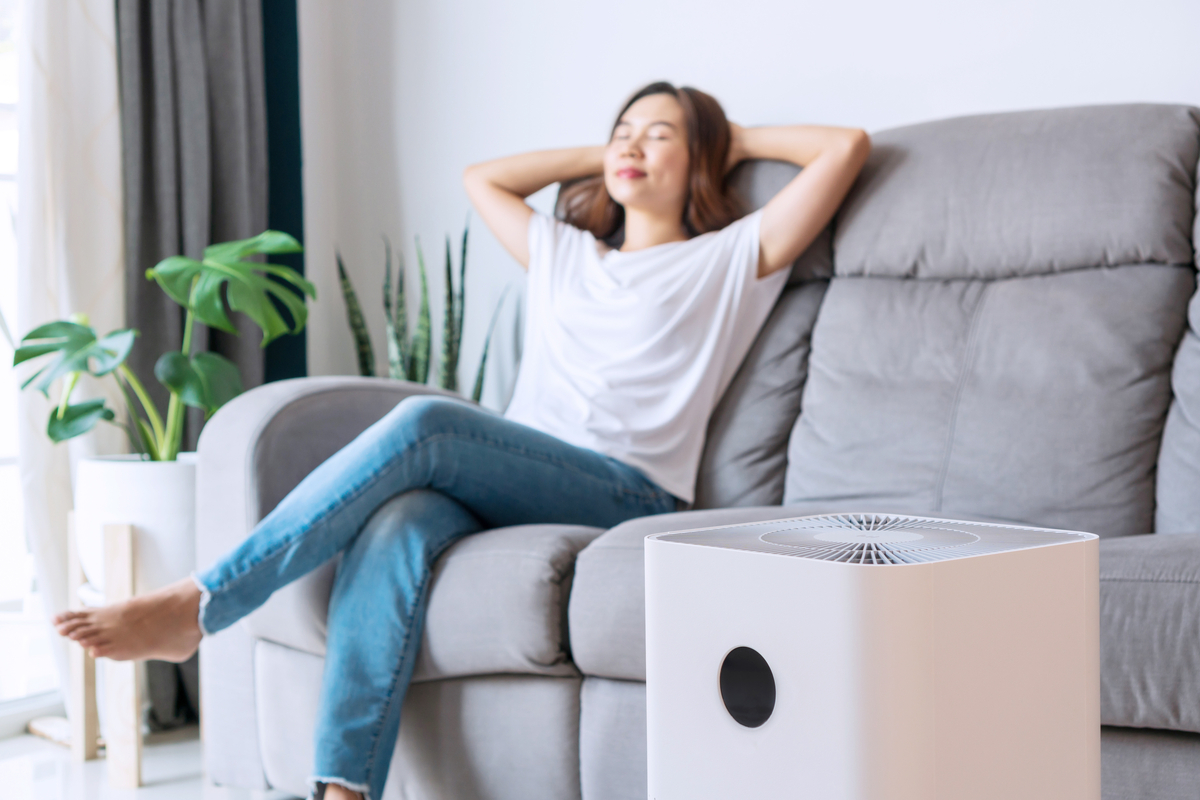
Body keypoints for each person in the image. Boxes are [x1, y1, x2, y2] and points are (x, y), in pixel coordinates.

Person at [53, 81, 869, 800]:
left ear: (699, 163)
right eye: (623, 128)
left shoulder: (728, 261)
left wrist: (722, 137)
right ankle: (342, 790)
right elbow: (486, 177)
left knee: (427, 426)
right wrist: (621, 143)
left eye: (659, 135)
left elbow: (845, 148)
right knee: (397, 522)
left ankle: (203, 604)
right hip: (514, 473)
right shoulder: (565, 255)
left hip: (627, 487)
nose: (632, 143)